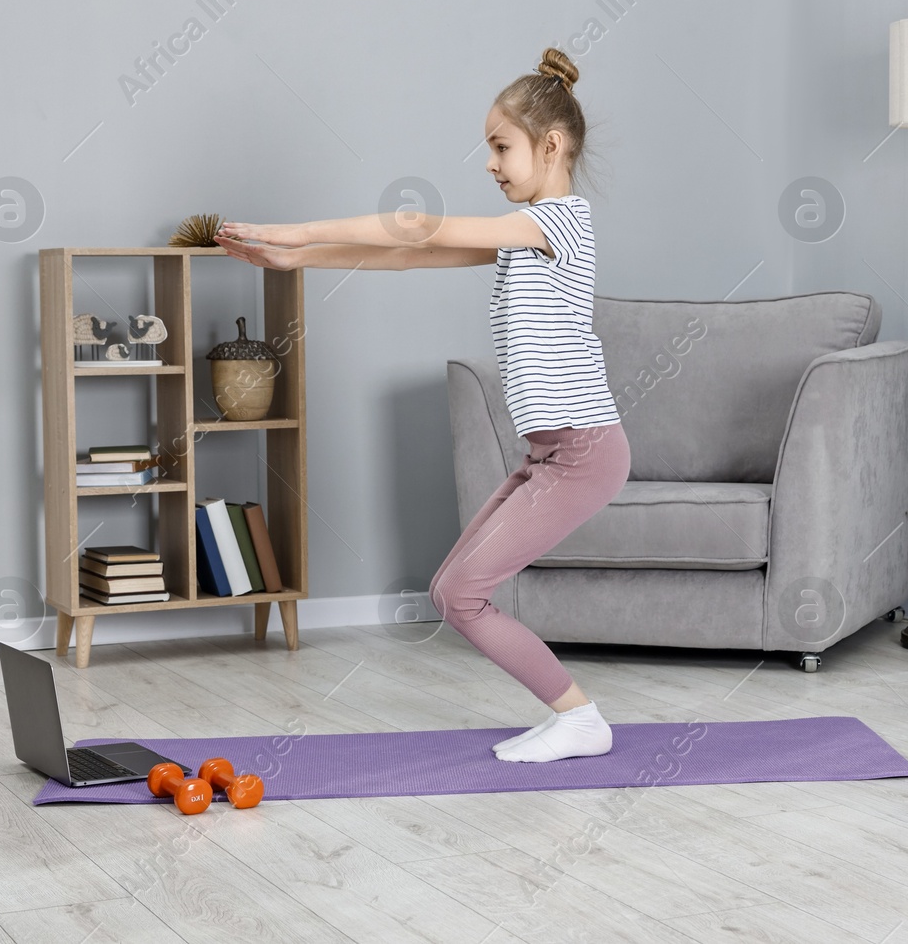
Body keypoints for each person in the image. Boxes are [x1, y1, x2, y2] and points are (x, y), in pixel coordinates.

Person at [216, 47, 629, 763]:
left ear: (552, 145)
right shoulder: (520, 237)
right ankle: (570, 715)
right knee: (448, 590)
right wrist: (297, 263)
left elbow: (417, 226)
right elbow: (411, 256)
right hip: (551, 455)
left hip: (584, 453)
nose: (492, 163)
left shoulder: (562, 223)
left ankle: (580, 717)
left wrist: (298, 230)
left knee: (464, 592)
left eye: (502, 147)